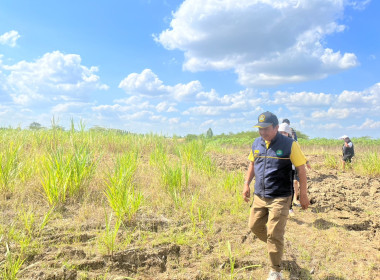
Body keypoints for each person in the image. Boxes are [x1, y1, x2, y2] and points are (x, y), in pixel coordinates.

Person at [242, 111, 310, 280]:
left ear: (276, 128)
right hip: (260, 195)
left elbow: (301, 169)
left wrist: (303, 194)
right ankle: (276, 245)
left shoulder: (290, 145)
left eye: (266, 129)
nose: (262, 132)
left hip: (280, 196)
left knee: (273, 234)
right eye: (260, 129)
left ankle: (275, 271)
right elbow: (252, 164)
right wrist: (246, 184)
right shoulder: (256, 143)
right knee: (254, 227)